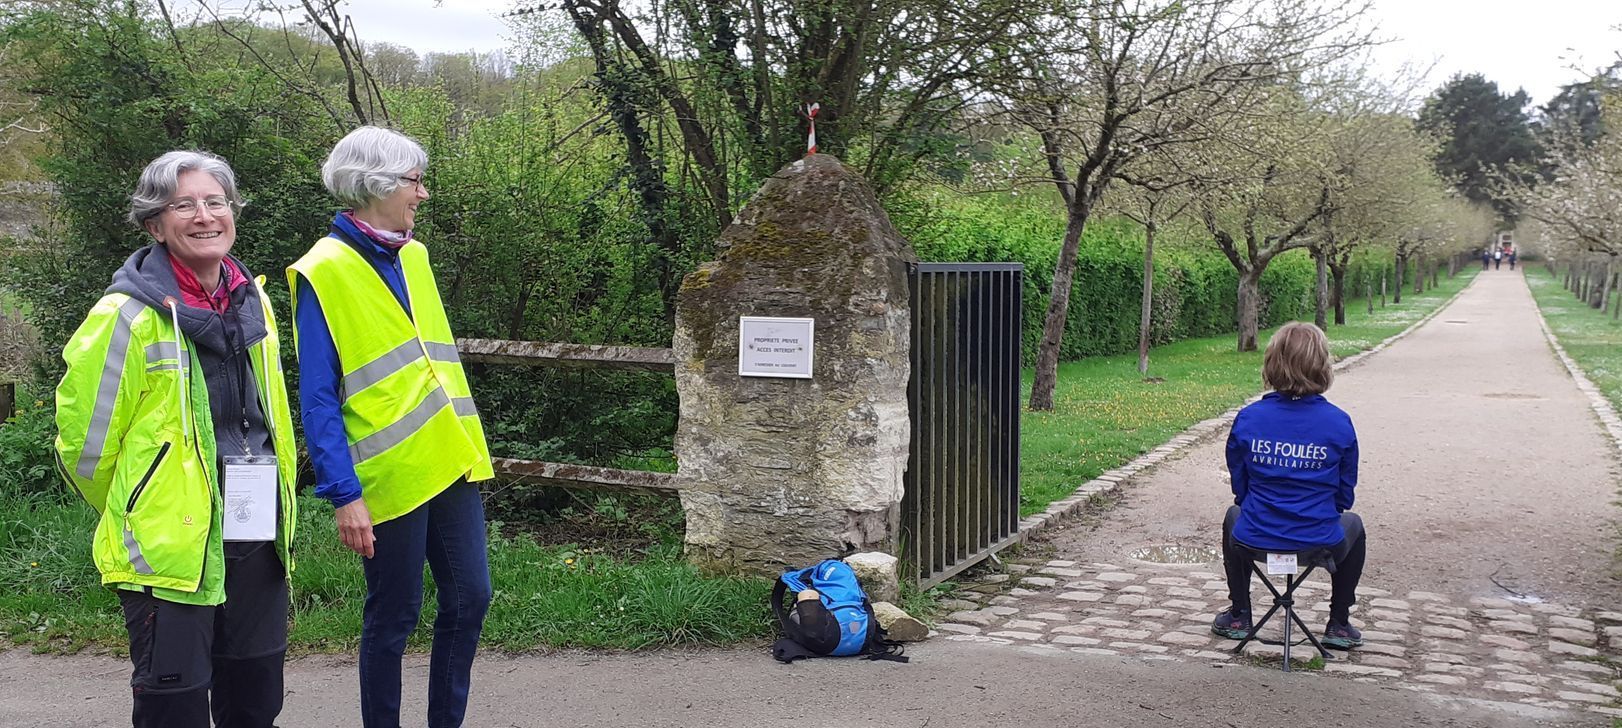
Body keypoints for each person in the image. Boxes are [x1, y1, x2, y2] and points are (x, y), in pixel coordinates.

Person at [55, 150, 299, 727]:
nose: (205, 215)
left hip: (256, 533)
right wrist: (143, 506)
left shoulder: (254, 301)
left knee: (256, 703)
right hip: (170, 550)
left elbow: (273, 419)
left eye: (216, 202)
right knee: (176, 709)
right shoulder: (125, 316)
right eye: (184, 205)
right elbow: (84, 449)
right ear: (155, 225)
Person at [289, 126, 494, 728]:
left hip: (450, 456)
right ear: (376, 184)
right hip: (388, 473)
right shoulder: (323, 270)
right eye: (414, 182)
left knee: (471, 598)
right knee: (394, 615)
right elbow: (318, 397)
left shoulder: (415, 255)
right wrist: (343, 493)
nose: (422, 194)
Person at [1209, 322, 1366, 650]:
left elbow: (1240, 487)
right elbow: (1344, 496)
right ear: (1322, 365)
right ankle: (1338, 622)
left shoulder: (1249, 418)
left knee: (1233, 516)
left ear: (1272, 363)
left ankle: (1239, 613)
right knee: (1354, 525)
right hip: (1318, 541)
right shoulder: (1339, 423)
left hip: (1255, 539)